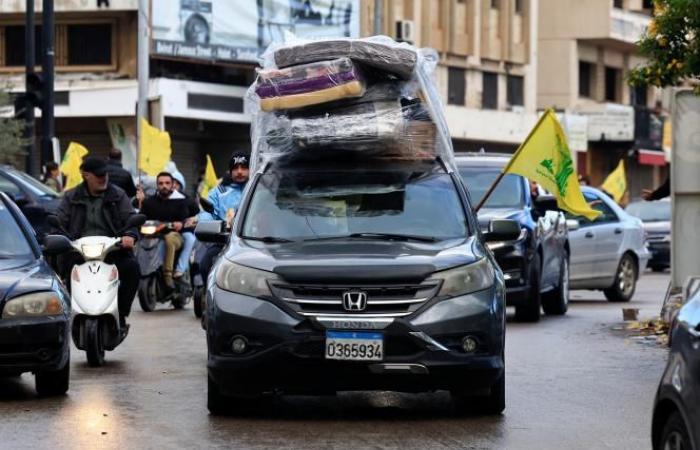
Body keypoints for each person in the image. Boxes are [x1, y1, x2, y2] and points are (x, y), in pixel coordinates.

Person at [54, 156, 140, 327]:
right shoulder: (71, 197)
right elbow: (58, 220)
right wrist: (58, 236)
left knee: (132, 269)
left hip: (113, 250)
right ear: (86, 175)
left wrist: (130, 234)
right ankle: (75, 312)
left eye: (105, 174)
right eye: (98, 175)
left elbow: (130, 217)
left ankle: (121, 313)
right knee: (65, 272)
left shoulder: (118, 194)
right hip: (78, 251)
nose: (104, 178)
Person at [139, 172, 199, 290]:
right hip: (155, 235)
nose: (164, 186)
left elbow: (195, 216)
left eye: (167, 183)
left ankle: (168, 274)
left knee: (170, 238)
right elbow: (142, 217)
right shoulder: (149, 202)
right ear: (157, 185)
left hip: (177, 236)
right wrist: (139, 203)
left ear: (173, 185)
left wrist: (183, 224)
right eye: (160, 183)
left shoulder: (184, 200)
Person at [199, 152, 250, 282]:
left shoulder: (257, 189)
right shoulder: (219, 191)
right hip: (225, 242)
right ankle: (209, 298)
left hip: (253, 243)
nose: (239, 172)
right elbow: (207, 213)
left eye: (244, 168)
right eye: (235, 168)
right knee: (205, 264)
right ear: (230, 170)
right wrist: (208, 224)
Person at [171, 171, 197, 279]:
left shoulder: (188, 200)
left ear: (181, 185)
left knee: (190, 239)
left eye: (176, 183)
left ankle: (180, 269)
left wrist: (192, 220)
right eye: (171, 183)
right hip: (165, 230)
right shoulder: (161, 198)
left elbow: (197, 214)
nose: (173, 186)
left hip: (184, 231)